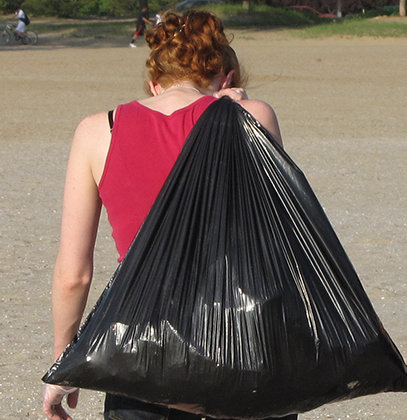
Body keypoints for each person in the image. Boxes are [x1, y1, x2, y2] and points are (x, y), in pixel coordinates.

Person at [40, 10, 284, 420]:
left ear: (154, 84)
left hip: (142, 357)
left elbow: (73, 275)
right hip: (246, 353)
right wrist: (235, 110)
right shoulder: (253, 117)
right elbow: (282, 233)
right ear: (228, 79)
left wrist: (63, 368)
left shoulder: (98, 131)